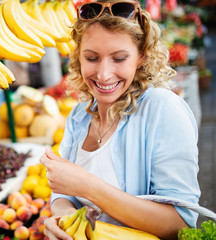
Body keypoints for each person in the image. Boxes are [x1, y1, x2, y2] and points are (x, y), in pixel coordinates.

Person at [39, 0, 200, 239]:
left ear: (141, 56)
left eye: (119, 58)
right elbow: (63, 195)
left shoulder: (163, 109)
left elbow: (181, 225)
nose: (103, 74)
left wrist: (88, 186)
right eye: (92, 58)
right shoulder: (79, 116)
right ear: (78, 57)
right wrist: (62, 218)